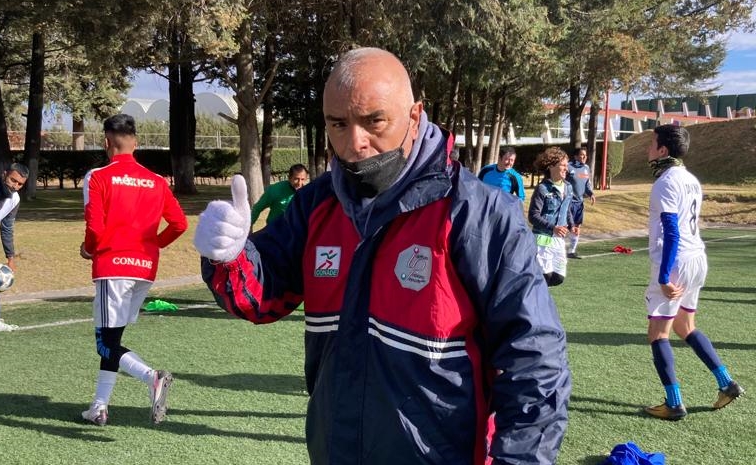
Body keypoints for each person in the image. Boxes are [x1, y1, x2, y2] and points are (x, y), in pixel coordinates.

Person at [194, 47, 570, 464]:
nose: (355, 142)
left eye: (374, 121)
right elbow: (261, 296)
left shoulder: (477, 213)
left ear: (414, 115)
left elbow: (534, 358)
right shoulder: (316, 204)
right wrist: (229, 255)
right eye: (338, 124)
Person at [79, 114, 188, 426]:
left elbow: (95, 227)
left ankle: (152, 377)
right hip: (144, 269)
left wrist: (89, 249)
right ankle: (99, 407)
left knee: (104, 343)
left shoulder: (97, 176)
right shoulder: (156, 180)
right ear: (136, 143)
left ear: (106, 143)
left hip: (112, 267)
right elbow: (180, 224)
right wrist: (152, 245)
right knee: (112, 340)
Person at [643, 124, 743, 421]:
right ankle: (727, 383)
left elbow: (671, 232)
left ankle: (674, 403)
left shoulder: (665, 182)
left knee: (658, 333)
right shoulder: (691, 179)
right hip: (697, 257)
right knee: (685, 326)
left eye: (652, 143)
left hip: (676, 262)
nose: (648, 148)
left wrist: (664, 277)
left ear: (663, 150)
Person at [0, 163, 29, 334]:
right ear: (4, 174)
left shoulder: (15, 200)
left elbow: (7, 227)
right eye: (13, 180)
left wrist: (10, 257)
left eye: (20, 184)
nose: (15, 186)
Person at [528, 147, 575, 287]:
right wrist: (553, 227)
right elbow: (533, 215)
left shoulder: (568, 187)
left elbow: (566, 209)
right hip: (542, 239)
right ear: (551, 166)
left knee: (558, 278)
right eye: (563, 165)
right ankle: (537, 298)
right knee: (545, 276)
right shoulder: (542, 188)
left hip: (558, 240)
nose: (566, 169)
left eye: (567, 165)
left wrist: (572, 225)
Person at [565, 147, 595, 259]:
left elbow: (587, 184)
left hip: (579, 203)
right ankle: (557, 250)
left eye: (585, 155)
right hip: (568, 202)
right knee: (565, 226)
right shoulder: (568, 166)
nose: (584, 157)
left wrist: (591, 193)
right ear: (576, 156)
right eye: (581, 154)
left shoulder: (586, 168)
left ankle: (571, 251)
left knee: (577, 226)